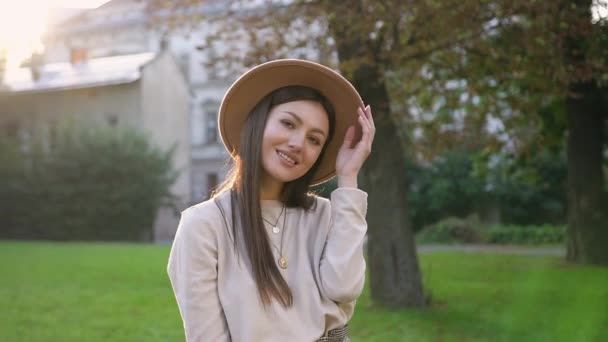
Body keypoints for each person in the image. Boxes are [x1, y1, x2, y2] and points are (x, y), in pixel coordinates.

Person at [167, 59, 375, 342]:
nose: (298, 143)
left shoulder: (328, 215)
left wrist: (348, 178)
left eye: (315, 140)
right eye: (288, 123)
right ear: (258, 122)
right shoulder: (203, 225)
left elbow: (344, 288)